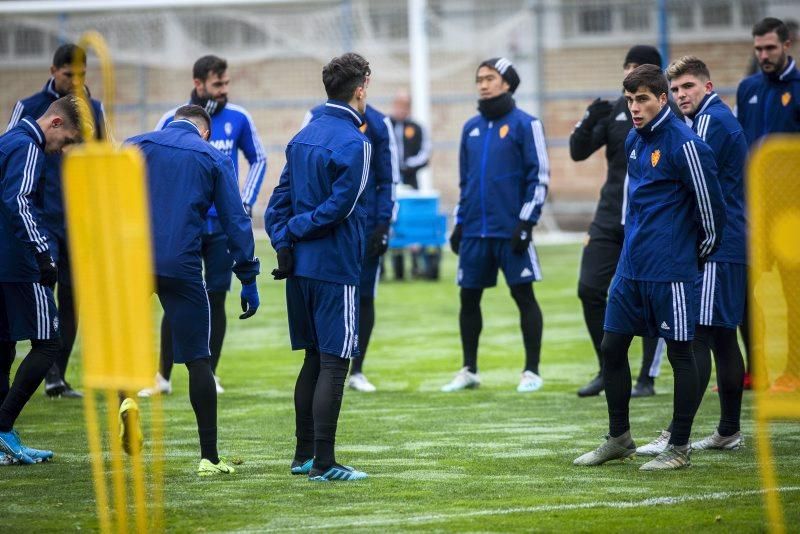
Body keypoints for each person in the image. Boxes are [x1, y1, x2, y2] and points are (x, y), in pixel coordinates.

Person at [573, 64, 726, 471]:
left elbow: (712, 213)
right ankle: (619, 438)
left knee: (680, 353)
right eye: (629, 100)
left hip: (671, 269)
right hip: (631, 265)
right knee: (611, 347)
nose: (635, 108)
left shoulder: (686, 144)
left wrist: (690, 258)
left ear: (663, 99)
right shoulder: (633, 142)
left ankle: (678, 446)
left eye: (642, 99)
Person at [125, 104, 261, 476]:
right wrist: (248, 277)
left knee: (123, 343)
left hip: (132, 261)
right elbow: (236, 221)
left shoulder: (133, 145)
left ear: (170, 122)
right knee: (198, 360)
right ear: (204, 132)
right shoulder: (212, 157)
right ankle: (209, 458)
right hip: (181, 264)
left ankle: (126, 403)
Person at [635, 57, 749, 457]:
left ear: (707, 85)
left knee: (699, 335)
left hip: (720, 244)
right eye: (677, 89)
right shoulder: (718, 117)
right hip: (731, 243)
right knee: (720, 336)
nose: (682, 95)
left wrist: (700, 243)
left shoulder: (707, 124)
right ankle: (727, 430)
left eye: (688, 87)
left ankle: (677, 434)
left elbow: (702, 189)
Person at [265, 52, 372, 481]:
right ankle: (324, 464)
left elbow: (276, 203)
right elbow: (340, 208)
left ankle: (302, 456)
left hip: (301, 268)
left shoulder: (303, 136)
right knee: (333, 363)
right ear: (361, 88)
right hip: (334, 265)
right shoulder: (356, 142)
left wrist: (284, 238)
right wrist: (297, 229)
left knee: (312, 360)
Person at [139, 55, 267, 397]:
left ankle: (209, 372)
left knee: (216, 296)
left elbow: (260, 159)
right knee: (175, 296)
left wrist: (245, 201)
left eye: (226, 84)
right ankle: (161, 376)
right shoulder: (172, 118)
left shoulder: (239, 117)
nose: (224, 90)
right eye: (217, 84)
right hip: (185, 226)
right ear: (198, 84)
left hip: (223, 227)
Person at [6, 44, 107, 399]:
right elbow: (14, 173)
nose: (75, 81)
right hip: (39, 221)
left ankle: (56, 377)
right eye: (69, 74)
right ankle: (37, 374)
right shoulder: (29, 115)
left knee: (72, 297)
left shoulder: (94, 109)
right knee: (40, 296)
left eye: (82, 75)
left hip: (78, 222)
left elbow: (104, 162)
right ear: (53, 70)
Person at [443, 57, 549, 393]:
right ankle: (469, 370)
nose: (483, 84)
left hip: (510, 230)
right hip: (475, 230)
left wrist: (525, 222)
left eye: (490, 78)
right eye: (479, 79)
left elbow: (540, 178)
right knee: (468, 298)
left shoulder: (525, 124)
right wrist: (459, 223)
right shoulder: (470, 128)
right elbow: (466, 182)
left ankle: (531, 371)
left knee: (523, 295)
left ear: (506, 83)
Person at [569, 45, 668, 399]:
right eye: (627, 68)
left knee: (651, 299)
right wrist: (587, 118)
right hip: (609, 216)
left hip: (647, 221)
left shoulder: (668, 119)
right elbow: (578, 152)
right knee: (589, 288)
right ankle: (607, 368)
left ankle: (646, 377)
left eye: (639, 68)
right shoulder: (616, 110)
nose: (631, 74)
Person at [0, 95, 86, 464]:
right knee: (49, 343)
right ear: (54, 124)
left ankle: (3, 438)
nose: (62, 149)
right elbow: (17, 199)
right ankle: (3, 426)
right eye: (65, 141)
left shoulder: (6, 140)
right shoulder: (29, 145)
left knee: (3, 347)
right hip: (19, 264)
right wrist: (42, 254)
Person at [300, 97, 398, 394]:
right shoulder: (314, 117)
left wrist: (383, 225)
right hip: (323, 229)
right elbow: (298, 170)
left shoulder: (380, 123)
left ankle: (358, 369)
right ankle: (319, 363)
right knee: (323, 296)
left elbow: (388, 178)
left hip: (365, 229)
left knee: (364, 296)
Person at [736, 17, 800, 393]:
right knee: (744, 290)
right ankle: (754, 369)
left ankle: (792, 371)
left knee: (792, 292)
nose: (763, 55)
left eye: (770, 48)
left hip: (790, 213)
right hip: (753, 211)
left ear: (787, 44)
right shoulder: (748, 89)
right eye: (758, 49)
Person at [387, 91, 438, 280]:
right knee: (392, 222)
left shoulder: (416, 128)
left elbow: (425, 153)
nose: (401, 108)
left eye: (405, 105)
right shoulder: (385, 126)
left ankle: (417, 264)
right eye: (398, 104)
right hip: (389, 183)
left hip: (410, 182)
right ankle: (390, 265)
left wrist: (408, 165)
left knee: (412, 222)